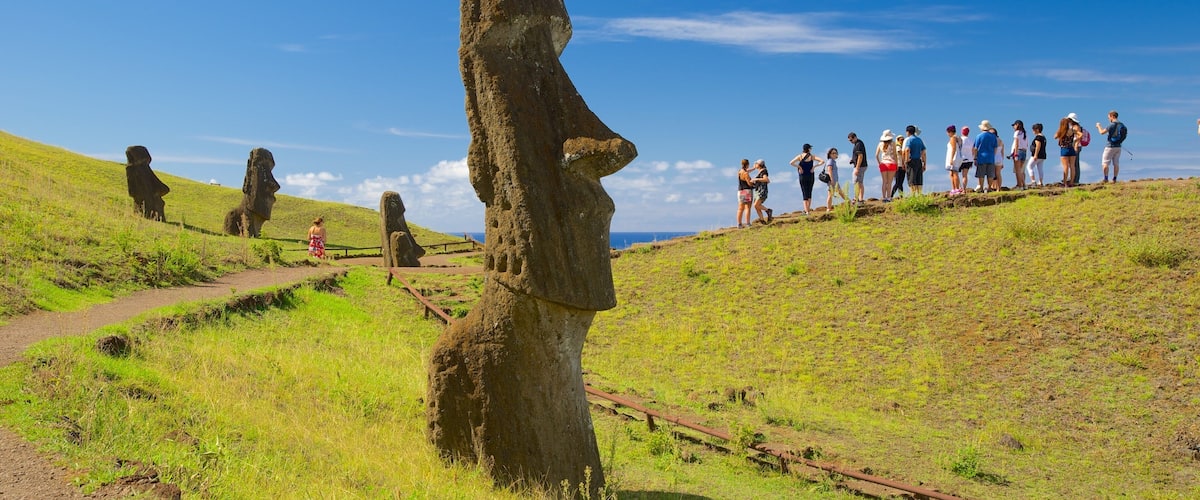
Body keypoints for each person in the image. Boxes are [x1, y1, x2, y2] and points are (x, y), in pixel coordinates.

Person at [790, 144, 824, 215]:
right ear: (808, 149)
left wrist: (799, 167)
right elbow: (822, 161)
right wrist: (814, 166)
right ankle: (807, 210)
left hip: (803, 176)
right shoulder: (812, 156)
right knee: (809, 192)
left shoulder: (800, 156)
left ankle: (806, 211)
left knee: (804, 192)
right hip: (811, 175)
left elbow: (791, 163)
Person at [1095, 110, 1127, 183]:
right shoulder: (1122, 125)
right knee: (1116, 163)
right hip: (1118, 146)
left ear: (1112, 116)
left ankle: (1106, 178)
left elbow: (1102, 132)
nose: (1108, 119)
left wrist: (1098, 126)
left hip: (1110, 146)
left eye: (1109, 117)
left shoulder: (1111, 125)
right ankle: (1114, 179)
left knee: (1105, 163)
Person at [972, 120, 998, 193]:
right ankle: (989, 188)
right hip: (990, 157)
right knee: (990, 174)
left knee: (981, 174)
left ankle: (981, 188)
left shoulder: (978, 136)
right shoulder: (993, 136)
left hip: (981, 157)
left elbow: (976, 148)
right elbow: (995, 147)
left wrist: (975, 157)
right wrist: (993, 155)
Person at [901, 125, 927, 195]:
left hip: (911, 161)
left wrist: (906, 160)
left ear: (908, 132)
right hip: (919, 161)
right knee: (919, 179)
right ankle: (919, 195)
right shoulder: (919, 140)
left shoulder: (909, 140)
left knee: (911, 179)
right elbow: (923, 152)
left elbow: (907, 150)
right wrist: (924, 163)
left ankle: (913, 195)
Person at [875, 130, 898, 202]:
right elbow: (895, 155)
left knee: (884, 182)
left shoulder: (880, 144)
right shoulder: (893, 143)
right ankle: (889, 197)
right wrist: (897, 164)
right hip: (891, 163)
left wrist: (879, 163)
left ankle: (884, 197)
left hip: (883, 163)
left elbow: (876, 155)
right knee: (890, 182)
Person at [1055, 117, 1078, 186]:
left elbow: (1055, 137)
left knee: (1065, 167)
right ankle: (1072, 182)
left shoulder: (1061, 131)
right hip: (1071, 148)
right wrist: (1075, 140)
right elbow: (1080, 134)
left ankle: (1064, 182)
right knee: (1072, 166)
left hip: (1064, 149)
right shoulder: (1072, 130)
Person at [847, 132, 868, 204]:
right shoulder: (857, 144)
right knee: (857, 182)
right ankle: (858, 198)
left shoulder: (859, 144)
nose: (850, 142)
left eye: (851, 140)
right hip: (859, 165)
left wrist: (857, 167)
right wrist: (853, 160)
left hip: (860, 166)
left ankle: (859, 199)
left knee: (858, 183)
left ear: (855, 137)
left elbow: (860, 156)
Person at [1067, 113, 1085, 185]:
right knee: (1073, 163)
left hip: (1076, 146)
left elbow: (1079, 136)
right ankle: (1073, 178)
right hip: (1075, 146)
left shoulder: (1076, 127)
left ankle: (1075, 179)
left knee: (1075, 164)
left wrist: (1075, 144)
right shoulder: (1075, 126)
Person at [1011, 120, 1029, 189]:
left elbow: (1016, 143)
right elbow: (1027, 144)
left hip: (1018, 151)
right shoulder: (1025, 133)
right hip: (1024, 152)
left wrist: (1015, 153)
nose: (1014, 127)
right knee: (1020, 170)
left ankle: (1020, 185)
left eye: (1014, 125)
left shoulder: (1017, 133)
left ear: (1017, 125)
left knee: (1017, 170)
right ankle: (1023, 184)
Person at [945, 125, 963, 195]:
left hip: (954, 157)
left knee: (954, 173)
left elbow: (954, 148)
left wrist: (951, 158)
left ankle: (956, 188)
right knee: (953, 173)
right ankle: (955, 188)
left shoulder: (953, 138)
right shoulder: (959, 138)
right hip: (958, 156)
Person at [1028, 123, 1047, 187]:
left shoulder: (1038, 137)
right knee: (1040, 168)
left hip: (1037, 155)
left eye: (1034, 129)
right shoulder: (1043, 137)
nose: (1033, 131)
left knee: (1029, 166)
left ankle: (1033, 181)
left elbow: (1038, 146)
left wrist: (1035, 155)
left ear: (1037, 130)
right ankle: (1040, 182)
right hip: (1042, 155)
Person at [736, 159, 753, 228]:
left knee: (740, 208)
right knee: (747, 208)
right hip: (747, 191)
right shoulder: (746, 173)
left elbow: (747, 170)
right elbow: (749, 183)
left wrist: (754, 168)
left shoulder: (740, 171)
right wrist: (754, 182)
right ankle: (748, 223)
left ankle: (739, 224)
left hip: (740, 191)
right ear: (748, 164)